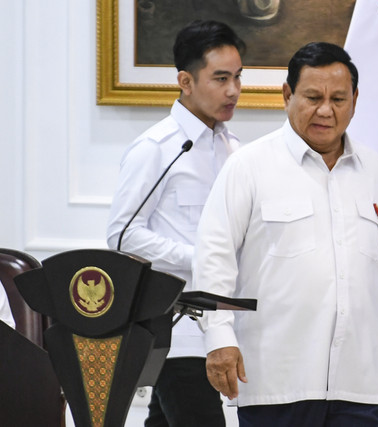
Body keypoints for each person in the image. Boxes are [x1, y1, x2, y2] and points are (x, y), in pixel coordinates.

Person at [193, 42, 378, 426]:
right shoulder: (248, 166)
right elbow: (214, 258)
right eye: (313, 97)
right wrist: (219, 338)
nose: (326, 111)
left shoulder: (376, 171)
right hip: (278, 382)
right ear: (287, 95)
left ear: (354, 99)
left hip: (362, 381)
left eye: (338, 98)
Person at [106, 20, 245, 427]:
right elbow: (122, 234)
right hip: (176, 332)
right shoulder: (156, 148)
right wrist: (203, 258)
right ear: (185, 80)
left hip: (224, 325)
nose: (233, 90)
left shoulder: (233, 148)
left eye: (237, 77)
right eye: (220, 78)